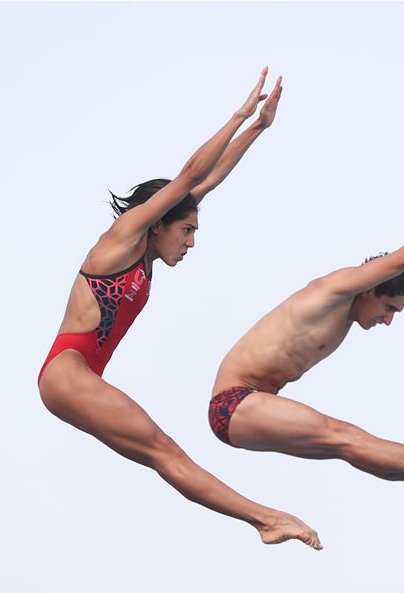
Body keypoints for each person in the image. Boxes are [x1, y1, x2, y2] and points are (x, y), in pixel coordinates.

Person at [38, 70, 322, 550]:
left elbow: (203, 182)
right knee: (163, 450)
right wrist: (238, 114)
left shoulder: (147, 251)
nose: (190, 241)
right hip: (67, 373)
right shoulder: (121, 239)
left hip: (80, 376)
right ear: (156, 224)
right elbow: (190, 176)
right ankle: (265, 519)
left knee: (161, 453)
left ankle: (263, 519)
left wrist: (258, 129)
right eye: (186, 230)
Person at [209, 185, 404, 502]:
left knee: (350, 446)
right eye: (389, 309)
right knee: (346, 437)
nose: (387, 321)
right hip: (234, 403)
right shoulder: (335, 290)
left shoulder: (359, 301)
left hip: (255, 403)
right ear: (370, 289)